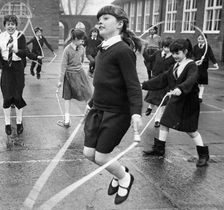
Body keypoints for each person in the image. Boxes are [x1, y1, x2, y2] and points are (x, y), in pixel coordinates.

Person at [82, 5, 143, 205]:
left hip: (117, 113)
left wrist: (136, 113)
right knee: (88, 153)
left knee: (101, 157)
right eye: (99, 18)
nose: (100, 21)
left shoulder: (123, 51)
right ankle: (119, 174)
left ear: (119, 24)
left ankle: (125, 177)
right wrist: (91, 102)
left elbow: (133, 85)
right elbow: (102, 82)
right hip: (98, 109)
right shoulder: (103, 47)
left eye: (106, 18)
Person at [142, 38, 209, 167]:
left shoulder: (191, 65)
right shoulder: (174, 66)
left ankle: (203, 155)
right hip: (176, 100)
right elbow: (162, 79)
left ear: (185, 51)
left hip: (189, 102)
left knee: (191, 130)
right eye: (173, 54)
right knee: (164, 123)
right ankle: (159, 149)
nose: (175, 56)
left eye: (177, 53)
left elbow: (191, 79)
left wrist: (180, 88)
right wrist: (143, 85)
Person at [0, 15, 40, 135]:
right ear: (5, 25)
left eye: (13, 24)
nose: (10, 26)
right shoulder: (0, 37)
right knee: (7, 97)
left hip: (18, 68)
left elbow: (25, 52)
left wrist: (35, 57)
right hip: (6, 68)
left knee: (17, 97)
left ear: (16, 25)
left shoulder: (20, 36)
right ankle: (7, 123)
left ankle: (19, 122)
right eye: (8, 24)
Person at [57, 28, 92, 128]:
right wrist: (60, 81)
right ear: (75, 38)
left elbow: (81, 61)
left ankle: (89, 116)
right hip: (69, 75)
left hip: (80, 74)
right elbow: (63, 66)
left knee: (88, 94)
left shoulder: (82, 48)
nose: (83, 41)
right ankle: (66, 120)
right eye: (81, 39)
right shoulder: (67, 50)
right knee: (67, 97)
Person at [143, 37, 176, 127]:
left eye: (168, 48)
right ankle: (150, 107)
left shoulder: (173, 57)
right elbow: (149, 59)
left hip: (164, 81)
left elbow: (174, 69)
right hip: (155, 78)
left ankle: (157, 120)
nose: (166, 49)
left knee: (161, 102)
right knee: (153, 96)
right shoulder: (157, 53)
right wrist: (144, 50)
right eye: (164, 47)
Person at [193, 33, 219, 103]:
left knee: (201, 83)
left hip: (203, 67)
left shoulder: (207, 47)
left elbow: (211, 56)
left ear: (205, 40)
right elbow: (192, 55)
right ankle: (194, 95)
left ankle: (200, 97)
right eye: (199, 39)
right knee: (195, 82)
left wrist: (215, 63)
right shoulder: (195, 47)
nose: (200, 40)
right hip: (196, 67)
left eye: (202, 39)